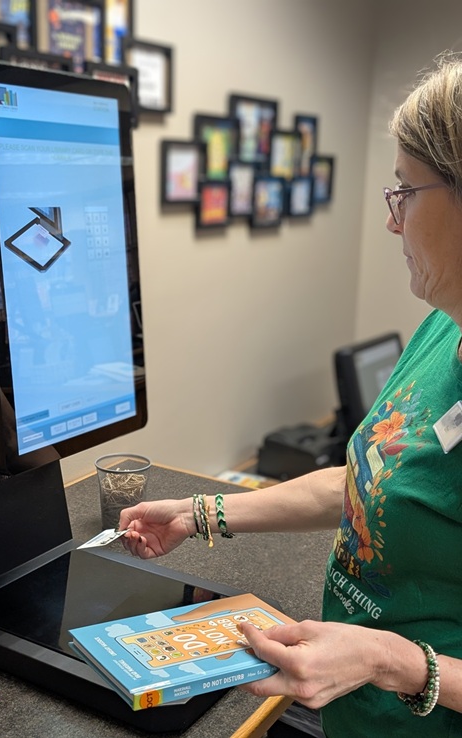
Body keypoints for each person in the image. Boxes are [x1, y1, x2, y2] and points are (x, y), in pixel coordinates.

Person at [120, 52, 462, 737]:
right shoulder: (440, 328)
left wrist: (392, 660)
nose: (392, 222)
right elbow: (372, 482)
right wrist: (204, 511)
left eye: (404, 192)